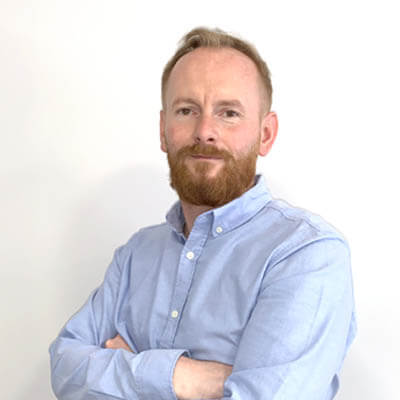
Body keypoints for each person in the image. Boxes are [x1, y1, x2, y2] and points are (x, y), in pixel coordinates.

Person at [49, 27, 356, 400]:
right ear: (163, 130)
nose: (205, 131)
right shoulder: (136, 254)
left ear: (266, 134)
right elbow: (65, 369)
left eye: (229, 113)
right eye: (186, 110)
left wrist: (131, 369)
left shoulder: (306, 255)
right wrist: (189, 378)